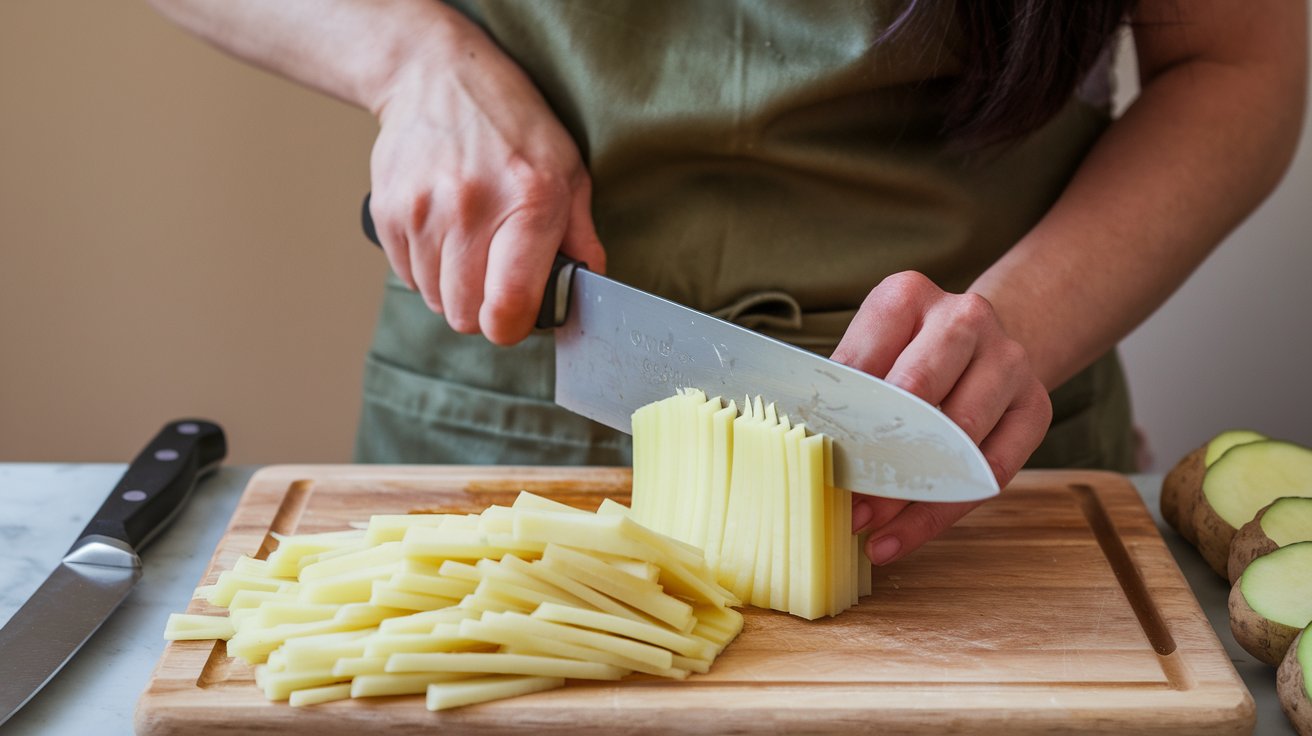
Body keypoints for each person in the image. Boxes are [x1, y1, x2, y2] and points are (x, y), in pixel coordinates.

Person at [148, 0, 1306, 566]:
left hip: (968, 461)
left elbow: (1237, 59)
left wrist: (1024, 325)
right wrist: (407, 56)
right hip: (494, 417)